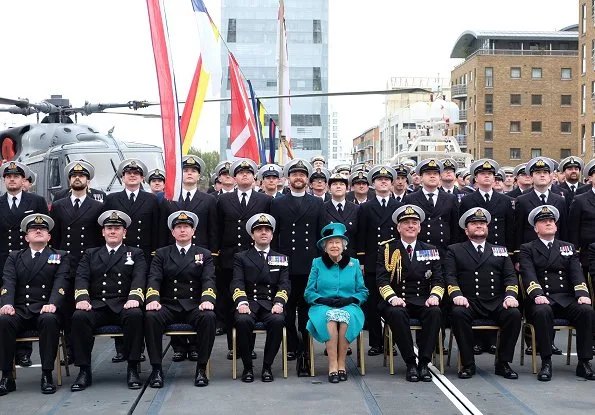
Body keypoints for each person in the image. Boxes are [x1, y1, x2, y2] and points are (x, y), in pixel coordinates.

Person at [70, 210, 147, 391]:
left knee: (135, 315)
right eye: (109, 228)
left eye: (117, 228)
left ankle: (133, 367)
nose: (113, 231)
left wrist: (134, 297)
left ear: (124, 232)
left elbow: (139, 277)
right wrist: (82, 298)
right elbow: (81, 277)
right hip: (97, 304)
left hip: (123, 304)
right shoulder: (91, 254)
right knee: (79, 317)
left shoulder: (135, 254)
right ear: (103, 232)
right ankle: (84, 370)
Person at [520, 205, 595, 381]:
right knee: (543, 311)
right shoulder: (527, 248)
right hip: (541, 298)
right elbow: (528, 273)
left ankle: (584, 362)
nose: (548, 223)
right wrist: (537, 294)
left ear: (556, 226)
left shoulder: (567, 247)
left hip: (566, 299)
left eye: (551, 221)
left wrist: (582, 294)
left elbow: (576, 274)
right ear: (535, 228)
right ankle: (546, 361)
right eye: (543, 221)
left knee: (586, 310)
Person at [445, 207, 521, 380]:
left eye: (482, 223)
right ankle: (468, 363)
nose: (479, 226)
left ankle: (503, 363)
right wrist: (456, 295)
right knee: (458, 313)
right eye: (474, 223)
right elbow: (450, 276)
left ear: (487, 227)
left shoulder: (500, 250)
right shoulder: (454, 250)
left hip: (495, 301)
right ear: (466, 230)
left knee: (514, 314)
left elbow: (510, 276)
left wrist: (510, 296)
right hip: (468, 301)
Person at [145, 210, 217, 388]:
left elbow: (209, 279)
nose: (182, 230)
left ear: (193, 231)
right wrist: (153, 298)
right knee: (150, 316)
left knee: (208, 317)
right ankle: (156, 369)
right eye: (178, 227)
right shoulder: (161, 254)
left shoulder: (204, 254)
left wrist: (207, 299)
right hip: (169, 304)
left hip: (194, 304)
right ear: (172, 232)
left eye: (186, 227)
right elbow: (154, 278)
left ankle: (201, 368)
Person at [0, 214, 70, 395]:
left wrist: (53, 303)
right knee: (4, 320)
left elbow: (61, 283)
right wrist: (7, 304)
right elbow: (8, 282)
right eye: (33, 229)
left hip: (45, 308)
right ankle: (7, 376)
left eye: (43, 229)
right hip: (21, 309)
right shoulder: (15, 257)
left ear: (49, 237)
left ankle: (46, 374)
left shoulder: (59, 256)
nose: (38, 231)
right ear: (26, 237)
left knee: (49, 320)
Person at [102, 158, 162, 362]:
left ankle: (140, 346)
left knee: (142, 302)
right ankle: (121, 347)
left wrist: (156, 254)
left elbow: (157, 229)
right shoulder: (112, 200)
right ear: (122, 177)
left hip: (144, 256)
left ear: (142, 177)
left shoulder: (152, 200)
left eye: (136, 173)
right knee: (120, 298)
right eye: (128, 173)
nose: (132, 175)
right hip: (119, 258)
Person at [376, 205, 444, 382]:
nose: (410, 226)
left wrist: (434, 296)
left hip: (423, 300)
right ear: (399, 227)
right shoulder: (387, 249)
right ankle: (410, 363)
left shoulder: (430, 249)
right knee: (397, 314)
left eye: (414, 223)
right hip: (398, 300)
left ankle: (424, 362)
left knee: (435, 312)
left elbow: (438, 279)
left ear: (420, 227)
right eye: (406, 223)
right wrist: (392, 298)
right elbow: (382, 279)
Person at [270, 159, 325, 363]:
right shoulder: (277, 202)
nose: (299, 177)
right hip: (284, 263)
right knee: (285, 308)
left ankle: (305, 346)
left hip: (309, 264)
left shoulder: (317, 203)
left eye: (302, 174)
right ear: (288, 178)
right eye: (295, 174)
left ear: (308, 179)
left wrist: (321, 262)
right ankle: (291, 345)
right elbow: (274, 235)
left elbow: (321, 235)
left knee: (306, 309)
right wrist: (273, 261)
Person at [216, 159, 272, 359]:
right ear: (234, 177)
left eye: (248, 173)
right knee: (232, 301)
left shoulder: (265, 200)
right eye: (240, 173)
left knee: (253, 299)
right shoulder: (223, 200)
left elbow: (270, 230)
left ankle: (249, 346)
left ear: (254, 176)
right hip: (229, 259)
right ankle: (234, 346)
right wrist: (216, 256)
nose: (245, 175)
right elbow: (217, 229)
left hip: (254, 258)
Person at [50, 161, 104, 364]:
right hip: (66, 265)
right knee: (68, 310)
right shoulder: (58, 206)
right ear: (69, 180)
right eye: (74, 176)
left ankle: (84, 352)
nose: (77, 178)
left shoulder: (98, 207)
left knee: (86, 310)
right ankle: (71, 350)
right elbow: (54, 238)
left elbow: (101, 239)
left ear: (88, 180)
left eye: (81, 176)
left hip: (89, 266)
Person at [304, 223, 368, 383]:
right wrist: (323, 300)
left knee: (345, 317)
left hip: (349, 305)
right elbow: (309, 292)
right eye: (330, 243)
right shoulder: (317, 263)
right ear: (325, 247)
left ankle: (342, 364)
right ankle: (332, 365)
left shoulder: (353, 264)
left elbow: (363, 291)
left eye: (337, 242)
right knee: (330, 318)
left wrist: (350, 299)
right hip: (322, 306)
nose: (334, 246)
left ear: (343, 246)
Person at [0, 161, 49, 368]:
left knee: (26, 301)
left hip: (29, 262)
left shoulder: (36, 201)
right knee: (7, 309)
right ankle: (7, 356)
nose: (12, 179)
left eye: (16, 176)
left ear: (23, 180)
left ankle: (24, 353)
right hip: (3, 262)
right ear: (4, 180)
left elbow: (43, 230)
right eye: (8, 176)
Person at [231, 213, 289, 382]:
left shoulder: (281, 258)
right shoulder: (241, 257)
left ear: (272, 235)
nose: (263, 233)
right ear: (252, 235)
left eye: (267, 230)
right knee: (242, 321)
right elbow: (237, 282)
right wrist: (241, 302)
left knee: (278, 321)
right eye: (259, 230)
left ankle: (267, 367)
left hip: (271, 303)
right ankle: (248, 367)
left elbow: (284, 284)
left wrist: (279, 303)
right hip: (248, 302)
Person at [356, 165, 401, 356]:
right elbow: (361, 235)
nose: (383, 182)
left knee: (395, 304)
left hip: (395, 261)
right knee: (373, 305)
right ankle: (376, 342)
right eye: (379, 180)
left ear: (392, 183)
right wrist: (362, 260)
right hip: (374, 261)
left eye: (387, 179)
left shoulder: (399, 207)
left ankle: (392, 342)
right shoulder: (365, 207)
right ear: (373, 184)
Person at [323, 173, 358, 258]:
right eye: (334, 184)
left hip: (351, 256)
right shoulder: (322, 208)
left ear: (347, 188)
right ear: (329, 188)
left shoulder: (356, 208)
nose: (338, 186)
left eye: (342, 184)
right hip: (329, 256)